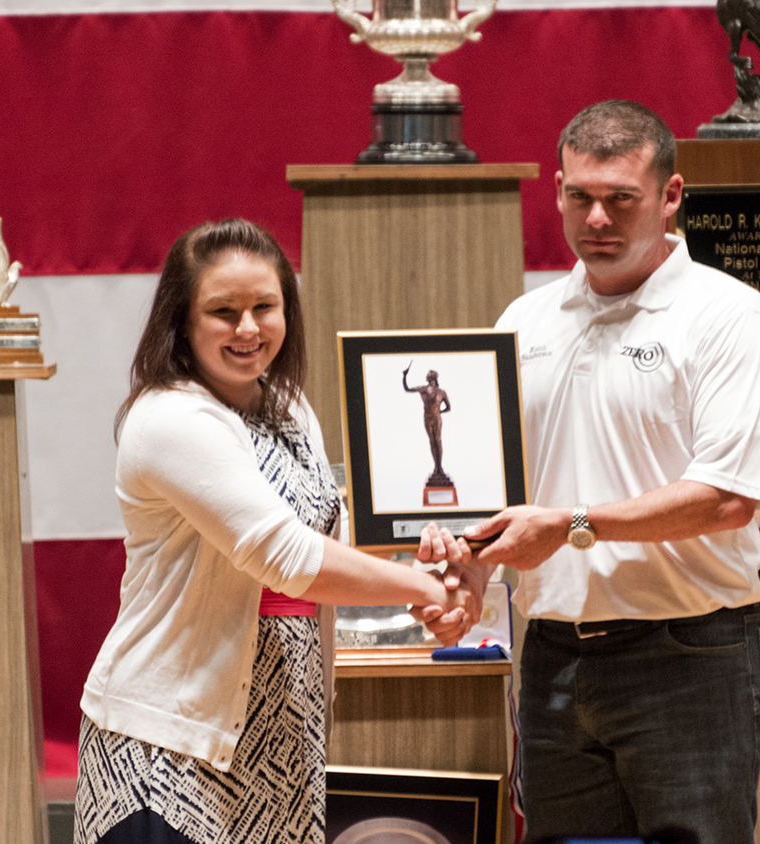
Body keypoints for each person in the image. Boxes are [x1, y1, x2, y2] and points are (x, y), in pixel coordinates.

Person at [76, 218, 483, 844]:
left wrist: (429, 553)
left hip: (283, 742)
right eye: (223, 311)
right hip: (171, 749)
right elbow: (287, 558)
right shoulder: (170, 418)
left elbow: (331, 542)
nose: (248, 328)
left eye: (265, 306)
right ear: (182, 321)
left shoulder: (290, 407)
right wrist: (427, 589)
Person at [464, 100, 760, 842]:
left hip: (689, 655)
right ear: (556, 189)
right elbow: (500, 489)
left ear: (671, 197)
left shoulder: (729, 317)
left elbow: (726, 501)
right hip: (552, 652)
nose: (597, 219)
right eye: (580, 196)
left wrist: (573, 526)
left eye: (621, 199)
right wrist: (472, 568)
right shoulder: (524, 322)